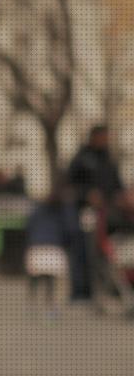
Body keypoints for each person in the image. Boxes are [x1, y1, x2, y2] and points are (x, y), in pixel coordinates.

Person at [66, 125, 125, 300]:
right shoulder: (81, 158)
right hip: (87, 212)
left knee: (107, 252)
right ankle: (82, 290)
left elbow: (117, 185)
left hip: (109, 214)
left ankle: (109, 289)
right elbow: (71, 184)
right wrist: (87, 194)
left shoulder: (109, 159)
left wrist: (121, 197)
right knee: (85, 249)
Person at [23, 185, 77, 320]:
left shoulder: (37, 209)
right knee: (53, 281)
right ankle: (51, 308)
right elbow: (71, 229)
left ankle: (32, 305)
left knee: (35, 279)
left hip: (36, 247)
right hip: (54, 249)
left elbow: (29, 225)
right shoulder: (65, 210)